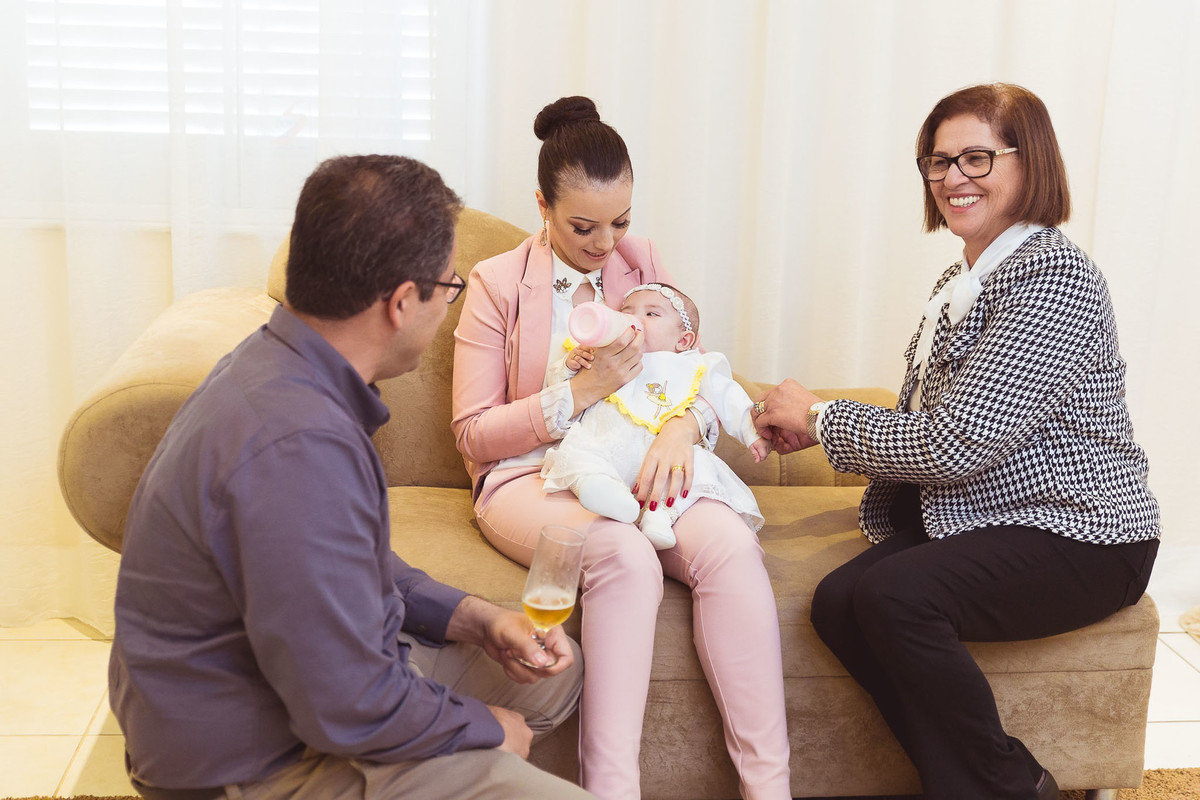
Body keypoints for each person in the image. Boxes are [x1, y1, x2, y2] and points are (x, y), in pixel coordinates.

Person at [110, 154, 594, 800]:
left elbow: (355, 565)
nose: (450, 307)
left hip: (300, 691)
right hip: (247, 763)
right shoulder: (298, 446)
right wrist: (481, 728)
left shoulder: (284, 367)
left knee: (556, 674)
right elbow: (349, 703)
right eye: (449, 289)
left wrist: (478, 618)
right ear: (400, 303)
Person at [753, 83, 1160, 800]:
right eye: (938, 162)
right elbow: (936, 424)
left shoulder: (1053, 276)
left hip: (1083, 533)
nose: (951, 179)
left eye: (976, 157)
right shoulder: (963, 278)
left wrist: (822, 420)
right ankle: (982, 780)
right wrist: (814, 428)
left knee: (896, 597)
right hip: (999, 516)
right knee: (838, 602)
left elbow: (956, 443)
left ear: (1029, 163)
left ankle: (1007, 787)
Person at [452, 96, 791, 799]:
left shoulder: (643, 263)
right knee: (622, 551)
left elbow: (690, 369)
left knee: (729, 545)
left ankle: (769, 789)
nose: (608, 245)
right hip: (533, 475)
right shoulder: (494, 284)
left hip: (641, 455)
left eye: (622, 222)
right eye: (584, 226)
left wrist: (682, 426)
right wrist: (578, 394)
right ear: (542, 205)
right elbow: (473, 435)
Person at [541, 282, 769, 550]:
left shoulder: (695, 365)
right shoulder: (601, 352)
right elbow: (558, 391)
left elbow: (729, 396)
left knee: (698, 466)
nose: (635, 319)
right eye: (627, 311)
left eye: (651, 314)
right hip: (606, 443)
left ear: (683, 340)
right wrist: (569, 365)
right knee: (579, 453)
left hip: (664, 455)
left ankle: (661, 515)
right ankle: (601, 490)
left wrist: (753, 432)